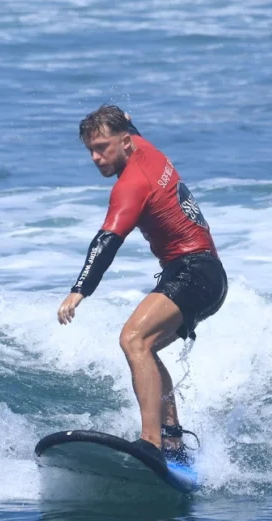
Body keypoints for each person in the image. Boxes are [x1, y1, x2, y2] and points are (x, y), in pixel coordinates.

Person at [57, 105, 227, 467]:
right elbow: (128, 122)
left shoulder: (132, 184)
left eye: (102, 147)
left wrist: (79, 290)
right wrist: (120, 114)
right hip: (204, 273)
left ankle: (150, 443)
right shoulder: (146, 147)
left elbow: (107, 241)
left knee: (132, 339)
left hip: (195, 272)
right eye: (90, 149)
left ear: (125, 141)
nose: (95, 157)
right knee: (145, 346)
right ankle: (173, 441)